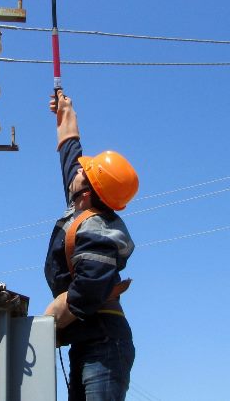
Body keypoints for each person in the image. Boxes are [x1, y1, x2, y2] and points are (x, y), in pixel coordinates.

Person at [44, 89, 139, 401]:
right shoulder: (80, 207)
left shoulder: (98, 228)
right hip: (87, 341)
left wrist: (51, 320)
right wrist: (65, 114)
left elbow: (90, 288)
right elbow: (70, 154)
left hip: (104, 343)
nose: (78, 170)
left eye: (85, 172)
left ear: (88, 191)